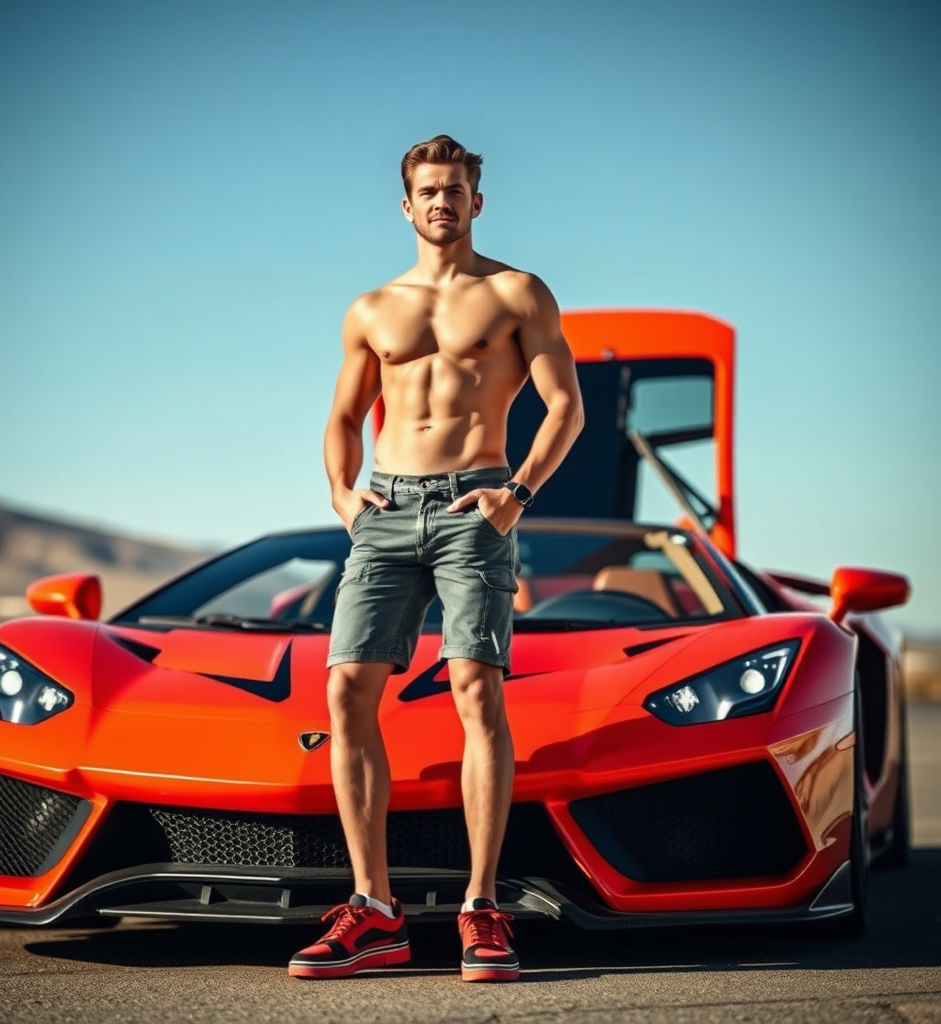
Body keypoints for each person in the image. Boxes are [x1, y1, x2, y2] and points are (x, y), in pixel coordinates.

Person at [288, 134, 584, 982]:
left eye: (456, 189)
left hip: (475, 506)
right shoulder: (371, 309)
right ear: (406, 205)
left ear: (476, 202)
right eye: (428, 190)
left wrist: (514, 494)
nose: (442, 202)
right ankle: (374, 911)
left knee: (475, 686)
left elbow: (566, 408)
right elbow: (344, 416)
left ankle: (481, 909)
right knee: (345, 688)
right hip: (385, 507)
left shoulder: (517, 293)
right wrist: (343, 495)